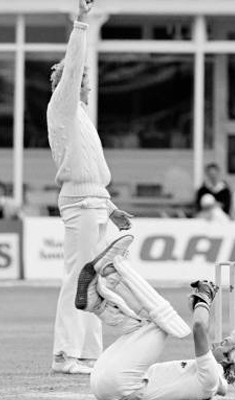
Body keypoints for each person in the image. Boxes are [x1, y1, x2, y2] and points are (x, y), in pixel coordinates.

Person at [74, 235, 235, 400]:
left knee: (164, 325)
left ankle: (114, 272)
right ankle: (99, 300)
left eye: (224, 344)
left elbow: (199, 328)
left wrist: (204, 298)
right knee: (145, 325)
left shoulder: (210, 377)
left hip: (119, 385)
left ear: (226, 360)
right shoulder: (210, 378)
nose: (218, 342)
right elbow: (205, 330)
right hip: (108, 383)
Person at [46, 0, 133, 374]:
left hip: (94, 204)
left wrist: (111, 207)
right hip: (79, 205)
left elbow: (92, 170)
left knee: (95, 282)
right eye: (81, 80)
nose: (87, 86)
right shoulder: (61, 106)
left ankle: (90, 356)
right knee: (78, 278)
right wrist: (82, 22)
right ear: (65, 83)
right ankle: (65, 354)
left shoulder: (81, 117)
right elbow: (74, 65)